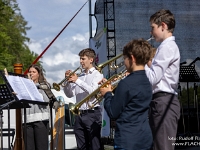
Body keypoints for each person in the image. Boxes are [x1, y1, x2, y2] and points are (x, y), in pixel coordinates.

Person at [100, 39, 153, 150]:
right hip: (145, 138)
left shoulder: (126, 83)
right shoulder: (148, 81)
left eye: (125, 58)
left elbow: (113, 112)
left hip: (127, 139)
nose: (124, 62)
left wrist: (107, 94)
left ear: (132, 58)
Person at [145, 9, 180, 150]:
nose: (151, 32)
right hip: (160, 101)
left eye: (153, 28)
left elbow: (153, 78)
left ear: (163, 26)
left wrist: (140, 64)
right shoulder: (164, 47)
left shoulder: (167, 47)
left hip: (163, 101)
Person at [63, 48, 103, 150]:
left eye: (83, 59)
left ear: (91, 60)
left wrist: (77, 81)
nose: (80, 61)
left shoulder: (97, 75)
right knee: (81, 146)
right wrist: (67, 83)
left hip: (92, 113)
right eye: (80, 59)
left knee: (95, 145)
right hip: (79, 113)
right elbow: (69, 94)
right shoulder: (80, 76)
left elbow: (93, 92)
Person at [22, 64, 50, 150]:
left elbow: (46, 100)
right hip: (27, 120)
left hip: (40, 120)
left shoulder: (44, 85)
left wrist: (33, 87)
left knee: (41, 147)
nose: (31, 74)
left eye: (34, 72)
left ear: (39, 74)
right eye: (30, 72)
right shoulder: (24, 86)